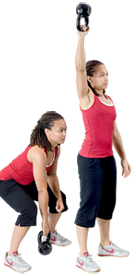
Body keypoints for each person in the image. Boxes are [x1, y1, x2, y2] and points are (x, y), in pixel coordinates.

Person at [74, 26, 131, 273]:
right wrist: (81, 38)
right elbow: (78, 68)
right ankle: (82, 255)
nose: (106, 78)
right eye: (100, 75)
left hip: (107, 159)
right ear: (90, 78)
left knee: (107, 204)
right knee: (88, 205)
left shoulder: (108, 99)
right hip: (89, 160)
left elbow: (114, 131)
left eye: (107, 74)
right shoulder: (87, 97)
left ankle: (105, 245)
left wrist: (124, 158)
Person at [0, 111, 71, 274]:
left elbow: (52, 175)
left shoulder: (56, 148)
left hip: (26, 181)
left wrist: (57, 197)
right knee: (29, 210)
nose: (64, 134)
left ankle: (50, 234)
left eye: (66, 130)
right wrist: (44, 220)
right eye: (60, 130)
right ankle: (11, 255)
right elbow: (42, 190)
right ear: (47, 131)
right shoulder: (37, 152)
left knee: (60, 198)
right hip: (7, 182)